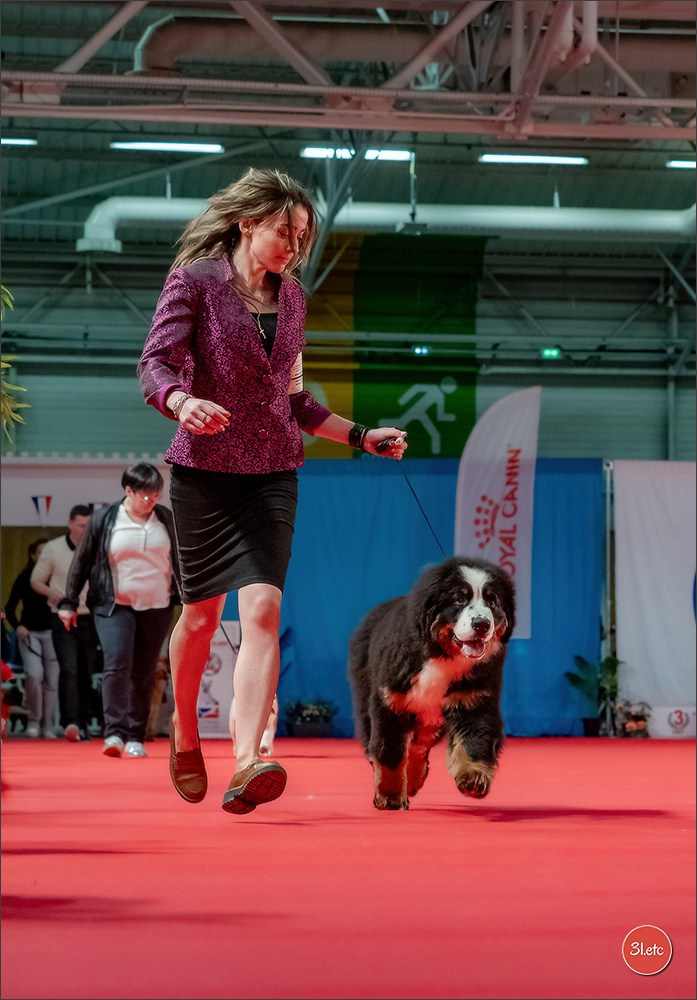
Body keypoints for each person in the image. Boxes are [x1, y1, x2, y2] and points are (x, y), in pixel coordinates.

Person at [137, 166, 407, 814]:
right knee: (201, 617)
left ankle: (248, 760)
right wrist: (181, 401)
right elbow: (155, 362)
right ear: (248, 223)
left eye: (302, 236)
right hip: (205, 470)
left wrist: (361, 435)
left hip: (273, 472)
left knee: (261, 610)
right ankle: (183, 728)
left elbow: (295, 400)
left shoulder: (293, 300)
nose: (294, 245)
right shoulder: (196, 281)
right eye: (285, 232)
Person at [57, 464, 179, 760]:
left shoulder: (166, 519)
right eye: (145, 496)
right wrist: (69, 602)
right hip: (113, 604)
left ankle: (136, 735)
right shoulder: (104, 519)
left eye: (156, 496)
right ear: (128, 491)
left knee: (144, 670)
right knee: (117, 661)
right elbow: (82, 562)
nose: (151, 502)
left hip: (157, 605)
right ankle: (114, 732)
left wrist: (191, 594)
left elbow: (181, 559)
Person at [30, 505, 99, 742]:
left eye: (88, 526)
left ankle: (84, 723)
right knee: (69, 669)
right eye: (80, 526)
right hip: (62, 616)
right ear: (70, 523)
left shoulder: (96, 547)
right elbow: (36, 581)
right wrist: (53, 593)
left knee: (86, 672)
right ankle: (70, 722)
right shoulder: (53, 548)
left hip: (90, 616)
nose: (84, 530)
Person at [4, 537, 60, 738]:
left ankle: (48, 725)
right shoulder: (25, 577)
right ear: (33, 555)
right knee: (35, 675)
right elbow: (10, 607)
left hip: (53, 634)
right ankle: (34, 721)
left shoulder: (57, 577)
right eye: (40, 553)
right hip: (30, 634)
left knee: (52, 680)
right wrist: (17, 626)